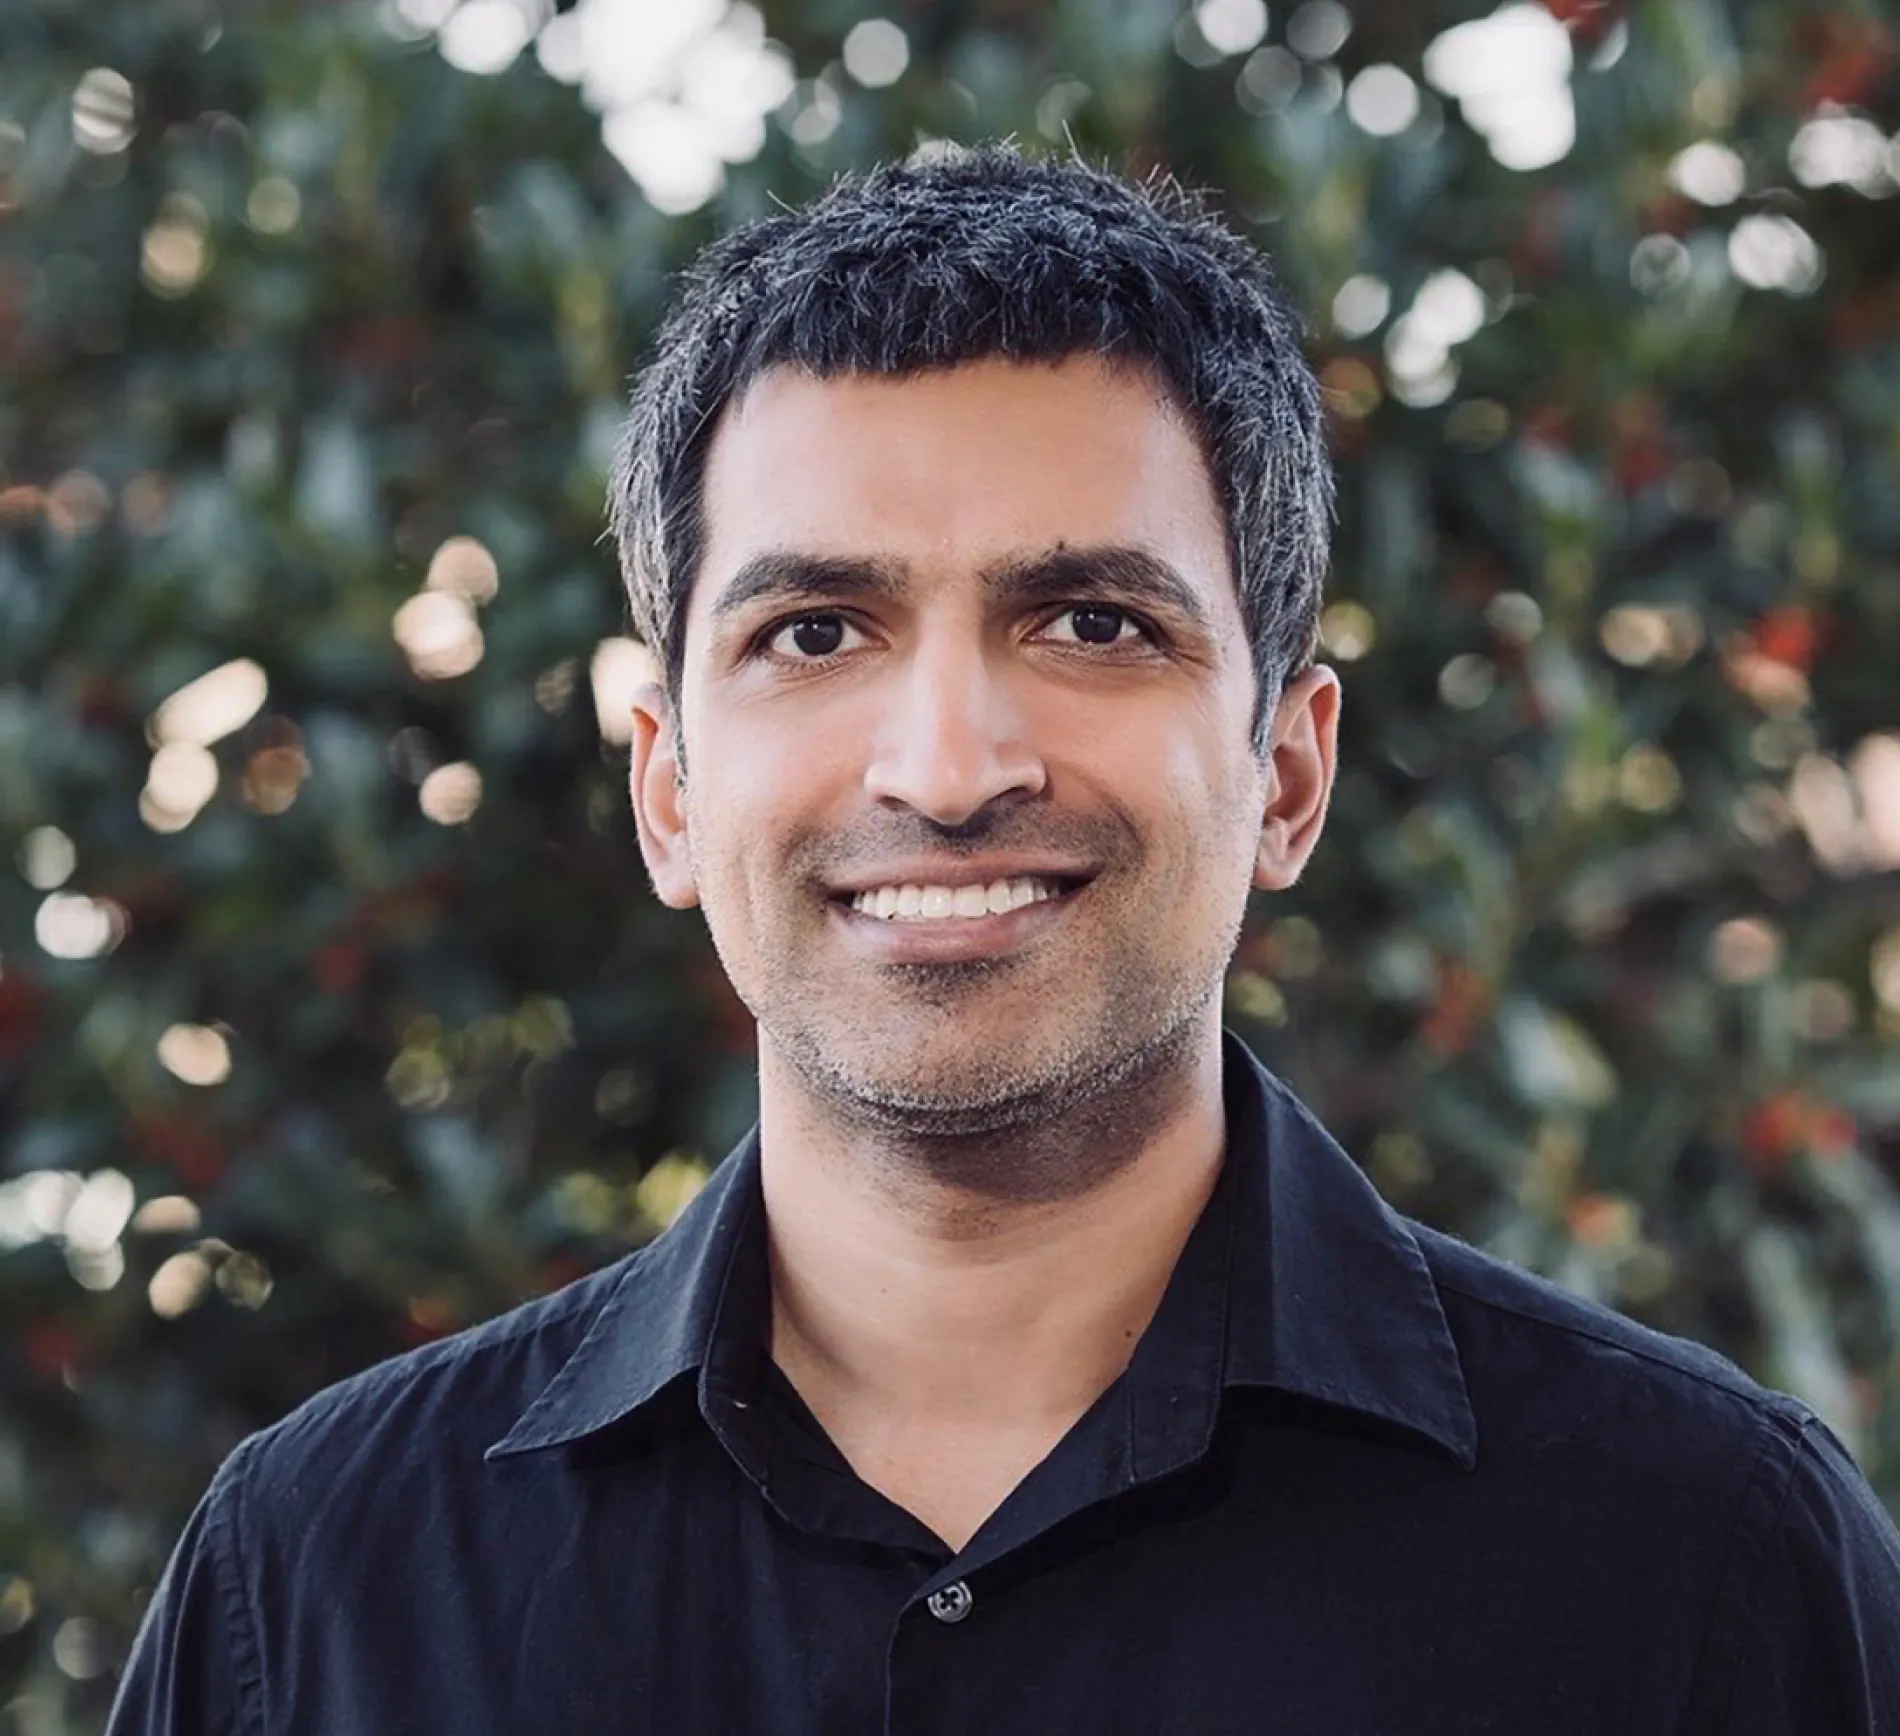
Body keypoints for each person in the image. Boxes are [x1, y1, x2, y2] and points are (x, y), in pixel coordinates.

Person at [111, 147, 1900, 1735]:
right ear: (668, 790)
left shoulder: (1710, 1567)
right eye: (816, 633)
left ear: (1287, 772)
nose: (950, 769)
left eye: (1094, 621)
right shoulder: (314, 1593)